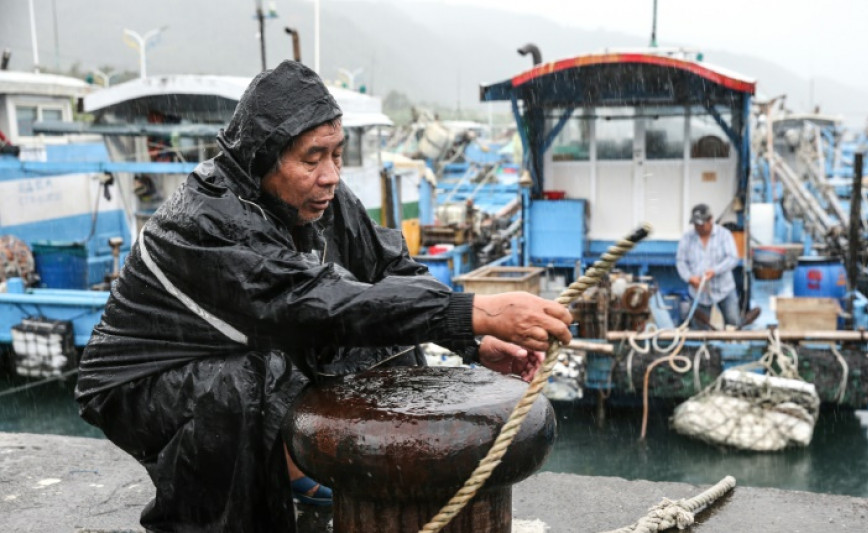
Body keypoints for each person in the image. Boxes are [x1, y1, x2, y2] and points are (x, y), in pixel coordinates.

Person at [74, 60, 572, 532]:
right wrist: (478, 312)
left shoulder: (319, 195)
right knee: (240, 385)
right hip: (138, 381)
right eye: (313, 158)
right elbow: (310, 304)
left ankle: (369, 471)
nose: (331, 174)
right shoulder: (206, 221)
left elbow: (391, 269)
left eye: (336, 154)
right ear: (263, 158)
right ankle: (213, 517)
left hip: (243, 339)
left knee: (387, 332)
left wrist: (473, 344)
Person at [675, 203, 740, 329]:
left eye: (701, 224)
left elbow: (732, 258)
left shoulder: (724, 235)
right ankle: (704, 348)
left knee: (733, 325)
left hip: (724, 290)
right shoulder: (687, 238)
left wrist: (715, 271)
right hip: (699, 294)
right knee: (699, 330)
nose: (698, 227)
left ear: (711, 220)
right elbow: (680, 261)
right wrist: (689, 278)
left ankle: (733, 347)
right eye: (696, 224)